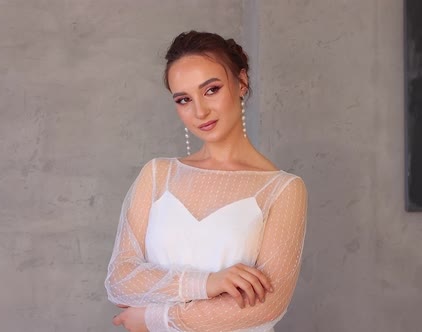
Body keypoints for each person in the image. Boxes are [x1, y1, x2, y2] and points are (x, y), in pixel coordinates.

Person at [104, 30, 309, 332]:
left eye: (211, 89)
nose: (199, 111)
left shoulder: (283, 190)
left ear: (241, 82)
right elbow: (121, 280)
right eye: (184, 99)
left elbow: (267, 306)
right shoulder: (158, 175)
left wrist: (154, 318)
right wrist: (208, 283)